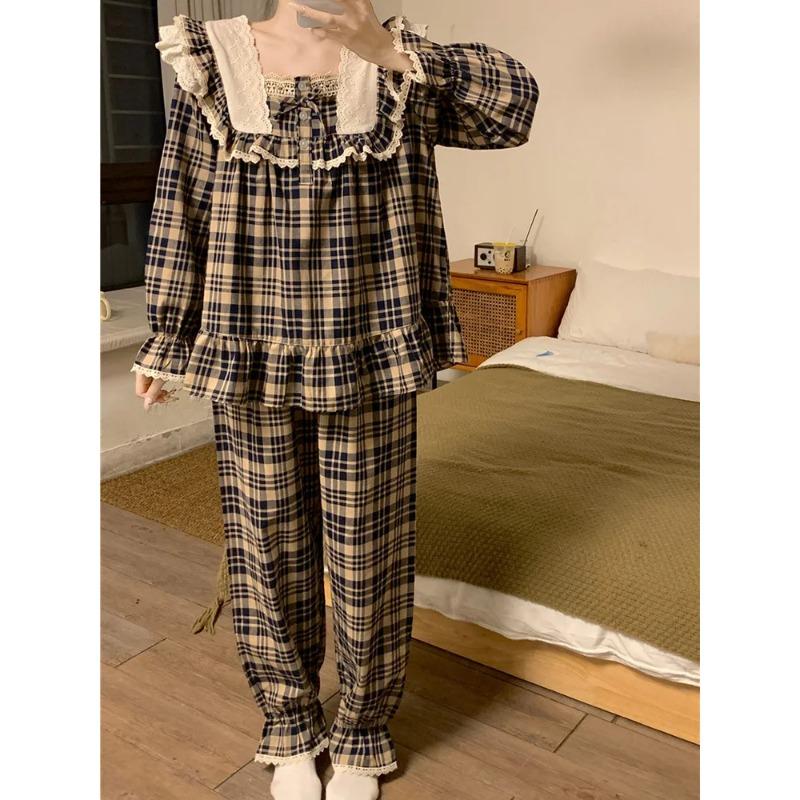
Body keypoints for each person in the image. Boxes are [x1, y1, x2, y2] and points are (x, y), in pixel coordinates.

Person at [131, 1, 538, 798]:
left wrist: (386, 50)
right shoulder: (212, 60)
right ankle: (290, 723)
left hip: (371, 344)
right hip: (248, 344)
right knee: (266, 543)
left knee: (368, 547)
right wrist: (169, 336)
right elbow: (182, 203)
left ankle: (361, 729)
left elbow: (511, 109)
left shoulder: (398, 60)